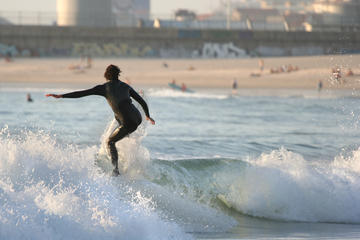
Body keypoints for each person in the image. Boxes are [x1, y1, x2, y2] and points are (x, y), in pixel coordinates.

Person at [46, 64, 155, 176]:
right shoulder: (126, 86)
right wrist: (147, 115)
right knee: (117, 116)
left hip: (128, 123)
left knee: (110, 142)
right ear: (118, 75)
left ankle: (116, 170)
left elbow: (82, 93)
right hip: (138, 118)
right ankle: (126, 134)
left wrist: (61, 96)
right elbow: (141, 101)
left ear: (106, 75)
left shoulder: (104, 88)